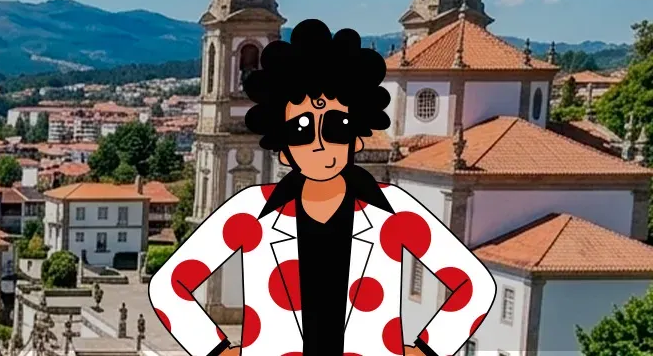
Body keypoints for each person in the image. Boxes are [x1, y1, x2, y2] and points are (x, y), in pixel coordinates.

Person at [147, 20, 495, 356]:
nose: (318, 143)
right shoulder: (251, 211)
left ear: (357, 138)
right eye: (300, 130)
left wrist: (426, 350)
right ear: (282, 146)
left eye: (336, 127)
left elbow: (474, 286)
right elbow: (169, 288)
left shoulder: (393, 210)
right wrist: (218, 350)